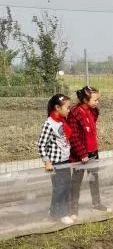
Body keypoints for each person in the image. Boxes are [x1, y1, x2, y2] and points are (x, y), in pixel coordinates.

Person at [67, 86, 109, 219]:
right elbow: (73, 136)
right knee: (76, 182)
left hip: (93, 151)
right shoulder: (75, 113)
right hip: (80, 155)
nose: (98, 102)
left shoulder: (92, 111)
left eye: (98, 100)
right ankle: (73, 209)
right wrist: (82, 154)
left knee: (94, 178)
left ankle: (96, 203)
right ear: (85, 100)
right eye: (95, 100)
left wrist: (91, 151)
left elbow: (91, 126)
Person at [37, 94, 74, 225]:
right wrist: (47, 161)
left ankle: (57, 211)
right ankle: (60, 214)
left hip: (65, 160)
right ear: (57, 107)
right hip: (56, 163)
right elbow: (42, 144)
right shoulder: (49, 123)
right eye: (67, 107)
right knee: (60, 188)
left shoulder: (61, 121)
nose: (69, 110)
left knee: (66, 186)